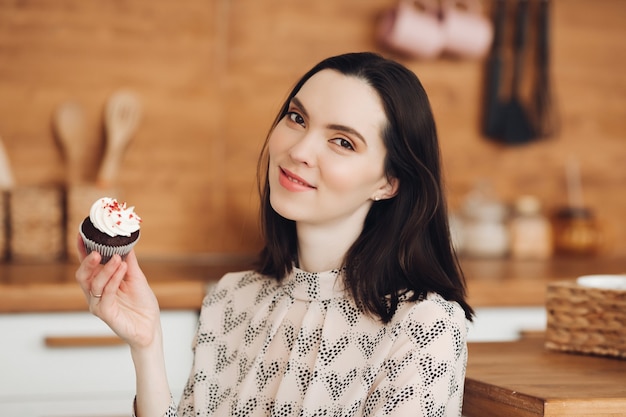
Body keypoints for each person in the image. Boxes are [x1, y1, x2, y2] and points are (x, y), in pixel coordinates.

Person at [76, 51, 474, 417]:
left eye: (342, 142)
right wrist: (147, 346)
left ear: (389, 182)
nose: (299, 149)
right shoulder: (232, 298)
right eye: (297, 118)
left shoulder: (425, 326)